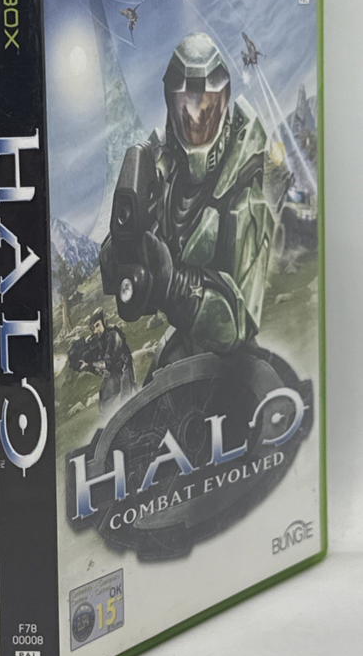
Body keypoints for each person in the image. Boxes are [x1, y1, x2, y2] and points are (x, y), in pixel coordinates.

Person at [100, 33, 275, 380]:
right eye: (186, 105)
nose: (196, 116)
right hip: (183, 348)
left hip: (235, 366)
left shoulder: (243, 185)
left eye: (206, 105)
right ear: (171, 105)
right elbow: (120, 272)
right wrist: (124, 250)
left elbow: (239, 323)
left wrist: (174, 285)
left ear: (222, 104)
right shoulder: (164, 173)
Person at [78, 307, 135, 416]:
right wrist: (88, 366)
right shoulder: (100, 340)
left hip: (125, 368)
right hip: (114, 372)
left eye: (97, 325)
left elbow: (106, 363)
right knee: (103, 400)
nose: (96, 330)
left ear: (104, 322)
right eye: (93, 327)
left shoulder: (113, 335)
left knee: (127, 399)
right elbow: (102, 369)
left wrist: (90, 364)